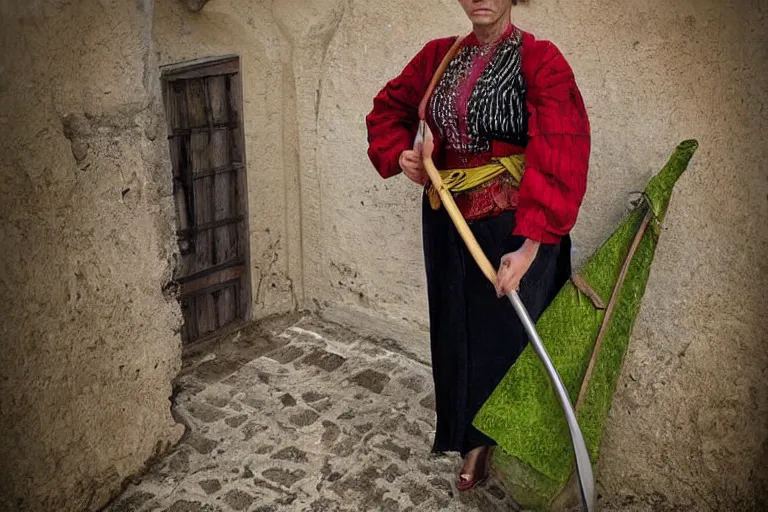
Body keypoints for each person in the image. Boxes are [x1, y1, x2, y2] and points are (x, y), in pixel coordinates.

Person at [365, 0, 590, 491]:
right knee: (456, 330)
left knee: (502, 336)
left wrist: (530, 247)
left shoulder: (542, 62)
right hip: (447, 221)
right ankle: (469, 438)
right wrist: (403, 154)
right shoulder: (437, 57)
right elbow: (390, 111)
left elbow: (562, 148)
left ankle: (501, 443)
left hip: (512, 224)